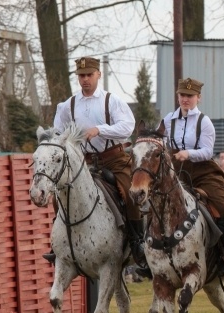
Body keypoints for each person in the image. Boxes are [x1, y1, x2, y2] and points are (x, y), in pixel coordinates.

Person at [46, 56, 148, 273]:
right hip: (83, 161)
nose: (85, 80)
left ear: (98, 75)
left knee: (129, 191)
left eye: (89, 75)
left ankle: (137, 240)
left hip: (114, 158)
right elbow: (57, 132)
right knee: (61, 193)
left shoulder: (112, 101)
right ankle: (60, 245)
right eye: (81, 76)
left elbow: (127, 127)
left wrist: (100, 129)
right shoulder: (68, 105)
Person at [163, 77, 224, 275]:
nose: (185, 99)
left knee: (221, 205)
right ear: (178, 96)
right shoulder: (167, 120)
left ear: (199, 98)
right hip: (175, 171)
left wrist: (188, 153)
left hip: (202, 171)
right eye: (182, 95)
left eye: (190, 96)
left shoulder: (204, 122)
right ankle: (152, 256)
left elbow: (207, 151)